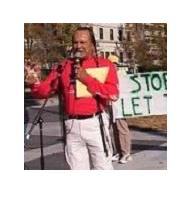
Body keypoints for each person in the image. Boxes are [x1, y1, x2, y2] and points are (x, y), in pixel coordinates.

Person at [25, 27, 119, 170]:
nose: (78, 46)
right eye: (75, 42)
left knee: (103, 168)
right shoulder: (63, 66)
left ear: (92, 44)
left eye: (83, 42)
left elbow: (113, 94)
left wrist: (87, 79)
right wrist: (34, 83)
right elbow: (45, 91)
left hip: (95, 124)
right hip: (71, 125)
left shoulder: (105, 65)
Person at [108, 55, 132, 164]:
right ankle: (119, 152)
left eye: (114, 64)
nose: (112, 66)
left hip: (120, 106)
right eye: (110, 63)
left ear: (117, 64)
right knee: (115, 129)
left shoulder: (122, 75)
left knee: (122, 129)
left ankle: (126, 153)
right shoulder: (108, 76)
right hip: (111, 106)